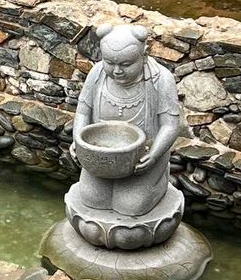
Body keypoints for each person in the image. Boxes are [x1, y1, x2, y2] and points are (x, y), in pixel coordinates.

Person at [69, 25, 181, 219]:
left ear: (144, 56)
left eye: (126, 64)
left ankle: (159, 180)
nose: (117, 71)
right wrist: (79, 143)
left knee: (130, 206)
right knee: (91, 199)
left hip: (141, 159)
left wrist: (153, 156)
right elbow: (82, 113)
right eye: (110, 63)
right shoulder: (97, 74)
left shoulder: (161, 80)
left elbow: (170, 125)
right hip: (101, 157)